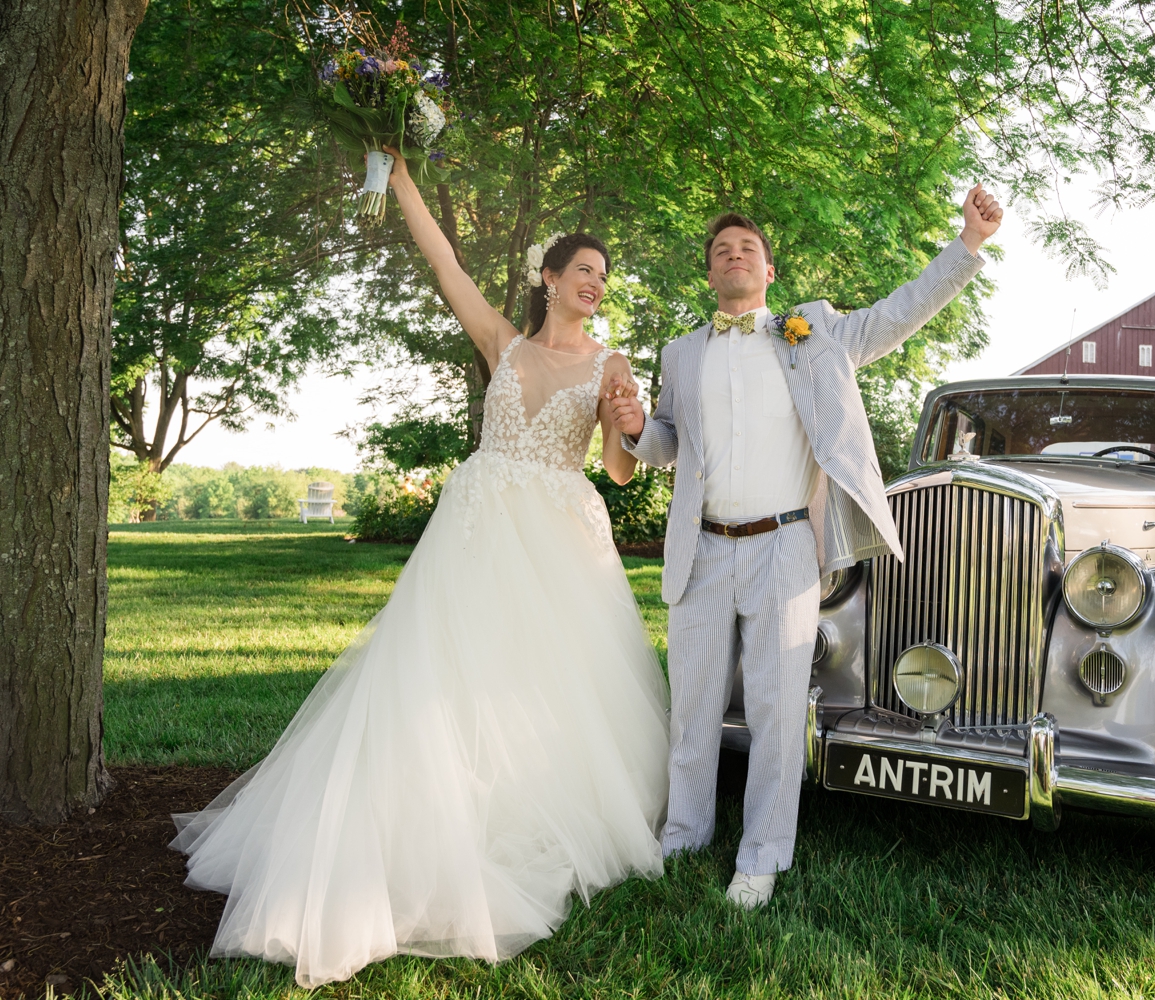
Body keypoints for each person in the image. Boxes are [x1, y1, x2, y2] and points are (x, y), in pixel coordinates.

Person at [170, 149, 669, 988]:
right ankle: (427, 817)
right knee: (444, 670)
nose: (595, 282)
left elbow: (621, 467)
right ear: (547, 276)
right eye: (582, 269)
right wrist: (400, 176)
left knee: (546, 682)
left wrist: (627, 419)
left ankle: (533, 807)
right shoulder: (501, 342)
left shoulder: (610, 363)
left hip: (560, 539)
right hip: (476, 534)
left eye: (602, 275)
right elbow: (443, 260)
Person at [607, 186, 1004, 908]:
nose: (734, 256)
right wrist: (637, 427)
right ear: (709, 275)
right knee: (692, 705)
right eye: (721, 250)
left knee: (776, 709)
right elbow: (667, 442)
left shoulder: (810, 331)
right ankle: (684, 834)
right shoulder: (681, 352)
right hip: (700, 549)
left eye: (747, 249)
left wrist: (966, 246)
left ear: (768, 269)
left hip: (785, 545)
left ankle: (760, 856)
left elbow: (894, 316)